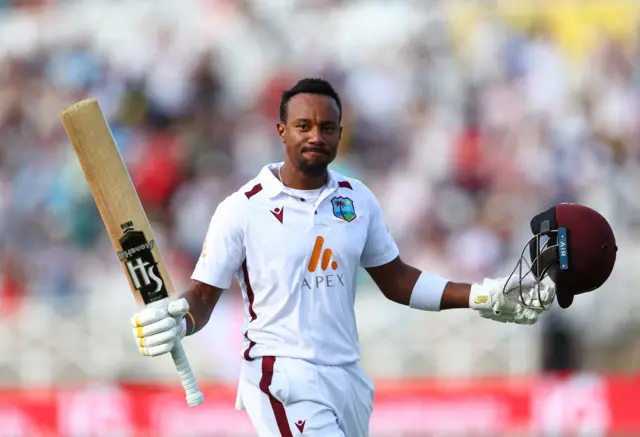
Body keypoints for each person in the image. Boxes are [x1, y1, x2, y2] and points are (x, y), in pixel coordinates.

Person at [128, 78, 615, 437]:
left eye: (327, 127)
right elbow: (202, 297)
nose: (315, 136)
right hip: (282, 374)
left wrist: (481, 294)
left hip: (348, 378)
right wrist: (177, 321)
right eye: (303, 126)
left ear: (340, 133)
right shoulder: (243, 208)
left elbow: (397, 279)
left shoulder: (356, 199)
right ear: (281, 130)